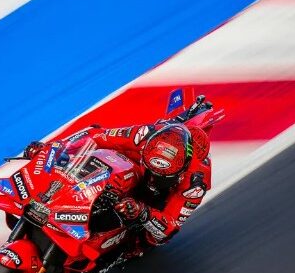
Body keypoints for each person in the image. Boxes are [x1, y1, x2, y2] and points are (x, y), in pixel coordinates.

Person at [23, 104, 214, 261]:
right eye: (151, 171)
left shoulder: (195, 183)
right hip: (124, 173)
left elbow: (168, 229)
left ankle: (126, 248)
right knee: (91, 159)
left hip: (154, 205)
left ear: (182, 171)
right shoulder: (143, 135)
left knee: (150, 239)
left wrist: (142, 212)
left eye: (161, 176)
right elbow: (96, 135)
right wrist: (53, 149)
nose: (153, 179)